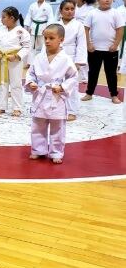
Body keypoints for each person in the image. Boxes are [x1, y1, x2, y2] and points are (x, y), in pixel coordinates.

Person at [26, 24, 78, 164]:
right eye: (45, 38)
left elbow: (73, 76)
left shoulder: (65, 59)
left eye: (51, 38)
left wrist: (62, 86)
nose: (47, 41)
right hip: (41, 95)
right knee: (38, 125)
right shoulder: (38, 57)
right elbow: (30, 73)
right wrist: (31, 82)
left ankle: (56, 152)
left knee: (57, 127)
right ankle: (38, 150)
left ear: (61, 39)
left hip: (56, 96)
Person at [82, 0, 125, 104]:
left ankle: (114, 95)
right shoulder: (92, 13)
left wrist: (115, 44)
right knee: (93, 72)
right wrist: (88, 44)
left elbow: (120, 29)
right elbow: (86, 29)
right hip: (94, 49)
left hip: (111, 49)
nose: (107, 0)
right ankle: (89, 93)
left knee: (111, 73)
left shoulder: (116, 13)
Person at [0, 6, 30, 116]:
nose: (1, 19)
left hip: (15, 61)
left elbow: (27, 47)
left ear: (12, 18)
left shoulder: (21, 31)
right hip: (2, 59)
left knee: (16, 84)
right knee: (2, 83)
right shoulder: (0, 30)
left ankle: (17, 108)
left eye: (4, 17)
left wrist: (17, 56)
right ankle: (1, 106)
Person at [55, 0, 87, 121]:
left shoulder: (78, 25)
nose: (69, 11)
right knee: (56, 84)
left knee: (71, 86)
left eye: (72, 9)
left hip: (72, 57)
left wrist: (79, 61)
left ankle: (72, 111)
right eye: (66, 9)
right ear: (61, 10)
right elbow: (47, 41)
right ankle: (57, 109)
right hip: (56, 56)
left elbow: (81, 44)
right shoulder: (54, 24)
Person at [24, 0, 54, 67]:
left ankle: (44, 62)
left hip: (43, 27)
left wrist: (47, 28)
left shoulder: (48, 6)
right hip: (34, 27)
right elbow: (28, 16)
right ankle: (30, 63)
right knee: (31, 45)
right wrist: (27, 27)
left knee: (43, 46)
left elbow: (50, 18)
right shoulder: (32, 5)